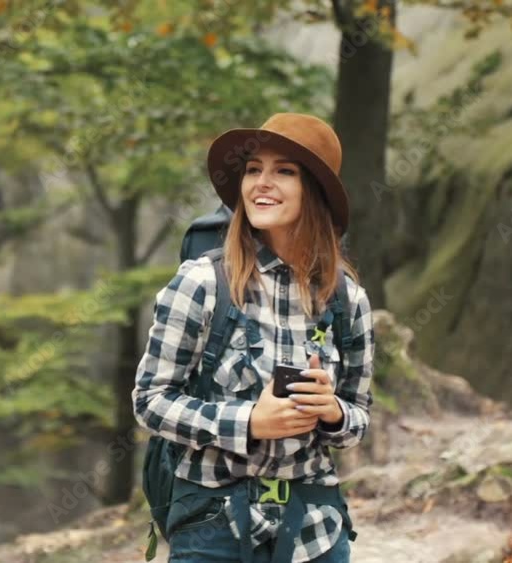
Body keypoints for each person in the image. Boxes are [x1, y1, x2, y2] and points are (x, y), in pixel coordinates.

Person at [132, 113, 374, 563]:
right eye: (253, 170)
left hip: (315, 532)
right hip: (212, 531)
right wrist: (248, 423)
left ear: (315, 191)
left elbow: (359, 416)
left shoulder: (347, 299)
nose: (262, 183)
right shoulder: (202, 283)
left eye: (284, 171)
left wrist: (333, 412)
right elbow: (150, 401)